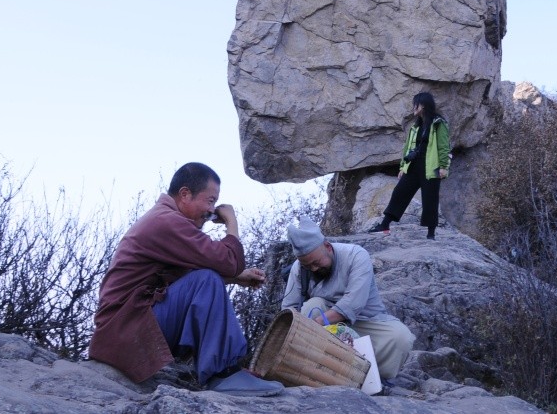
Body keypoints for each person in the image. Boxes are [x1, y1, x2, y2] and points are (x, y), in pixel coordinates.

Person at [88, 162, 283, 396]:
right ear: (185, 194)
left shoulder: (163, 218)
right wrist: (231, 221)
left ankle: (225, 371)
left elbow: (182, 275)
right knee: (207, 279)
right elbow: (229, 261)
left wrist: (235, 278)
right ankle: (223, 375)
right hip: (125, 330)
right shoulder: (167, 222)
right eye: (210, 200)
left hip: (124, 330)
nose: (212, 210)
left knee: (206, 278)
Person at [282, 216, 415, 381]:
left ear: (328, 247)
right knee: (313, 305)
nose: (313, 269)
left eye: (316, 262)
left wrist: (313, 325)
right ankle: (311, 372)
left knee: (400, 337)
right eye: (308, 266)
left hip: (364, 321)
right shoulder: (299, 269)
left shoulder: (356, 255)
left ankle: (374, 379)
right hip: (325, 328)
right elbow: (289, 308)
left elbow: (352, 304)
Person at [368, 91, 451, 239]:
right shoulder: (416, 126)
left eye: (416, 104)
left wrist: (444, 166)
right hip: (413, 166)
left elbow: (444, 146)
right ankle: (385, 225)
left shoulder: (438, 123)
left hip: (430, 167)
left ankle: (431, 234)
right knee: (399, 193)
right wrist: (403, 166)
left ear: (423, 105)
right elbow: (407, 148)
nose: (413, 107)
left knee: (430, 199)